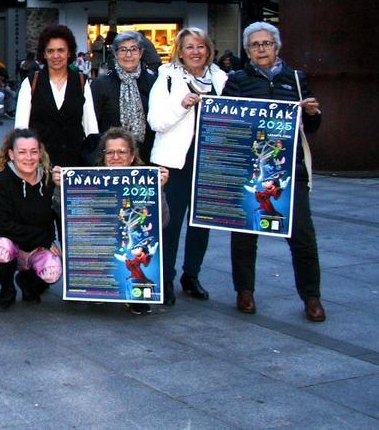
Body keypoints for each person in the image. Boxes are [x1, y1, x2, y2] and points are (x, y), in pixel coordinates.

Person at [225, 23, 325, 322]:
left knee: (303, 236)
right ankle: (245, 292)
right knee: (244, 236)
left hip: (289, 171)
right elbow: (226, 125)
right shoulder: (237, 81)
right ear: (247, 50)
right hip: (250, 171)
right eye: (255, 45)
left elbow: (312, 127)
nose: (261, 49)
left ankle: (311, 297)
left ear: (277, 47)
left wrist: (312, 113)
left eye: (266, 43)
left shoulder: (295, 79)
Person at [148, 26, 227, 306]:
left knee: (201, 224)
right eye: (189, 47)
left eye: (201, 46)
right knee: (170, 224)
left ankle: (191, 275)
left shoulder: (221, 78)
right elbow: (156, 122)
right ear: (179, 52)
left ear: (209, 50)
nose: (196, 52)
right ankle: (166, 277)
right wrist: (182, 105)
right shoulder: (167, 77)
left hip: (209, 162)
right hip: (174, 163)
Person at [53, 128, 171, 315]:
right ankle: (98, 288)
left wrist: (159, 191)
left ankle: (137, 295)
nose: (116, 156)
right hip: (101, 245)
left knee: (140, 254)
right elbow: (68, 216)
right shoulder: (87, 180)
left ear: (132, 156)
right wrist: (60, 188)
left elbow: (162, 222)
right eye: (110, 152)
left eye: (122, 152)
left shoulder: (145, 182)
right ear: (103, 155)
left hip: (129, 244)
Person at [0, 129, 61, 312]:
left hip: (33, 246)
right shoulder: (0, 182)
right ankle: (7, 290)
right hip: (2, 241)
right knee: (3, 246)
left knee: (53, 270)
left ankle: (26, 280)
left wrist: (63, 189)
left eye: (33, 151)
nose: (28, 157)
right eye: (22, 152)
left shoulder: (49, 181)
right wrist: (44, 239)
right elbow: (1, 226)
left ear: (40, 153)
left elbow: (63, 216)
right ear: (11, 154)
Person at [14, 25, 98, 169]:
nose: (56, 55)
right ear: (44, 54)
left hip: (75, 163)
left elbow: (91, 128)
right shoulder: (31, 82)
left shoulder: (82, 82)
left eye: (61, 50)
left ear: (69, 52)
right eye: (50, 51)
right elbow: (21, 128)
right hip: (39, 165)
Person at [90, 31, 157, 162]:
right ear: (115, 54)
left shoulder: (153, 83)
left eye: (133, 49)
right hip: (111, 159)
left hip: (146, 157)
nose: (128, 55)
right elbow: (93, 126)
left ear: (141, 53)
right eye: (123, 50)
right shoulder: (101, 84)